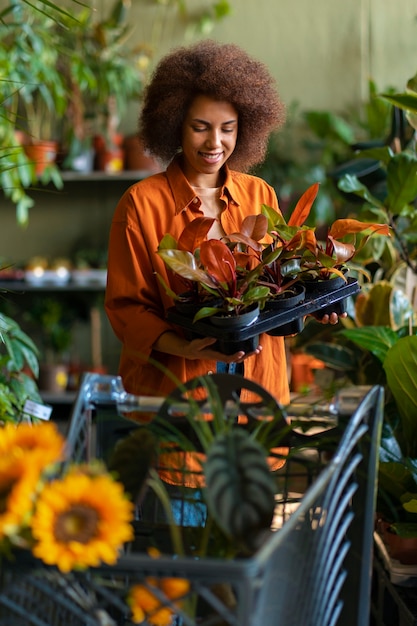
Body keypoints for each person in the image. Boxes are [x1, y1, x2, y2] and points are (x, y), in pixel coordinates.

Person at [105, 39, 343, 407]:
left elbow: (274, 293)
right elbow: (127, 311)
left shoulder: (258, 194)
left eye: (227, 128)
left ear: (245, 128)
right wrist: (188, 348)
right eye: (200, 127)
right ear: (174, 125)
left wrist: (313, 307)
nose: (214, 142)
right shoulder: (141, 204)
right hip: (178, 396)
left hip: (258, 393)